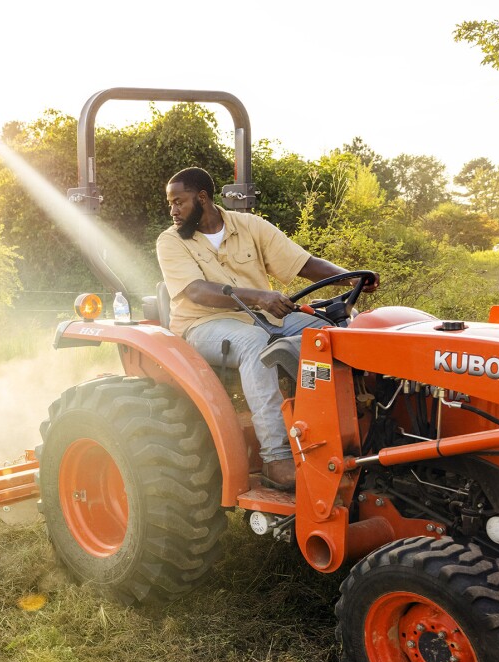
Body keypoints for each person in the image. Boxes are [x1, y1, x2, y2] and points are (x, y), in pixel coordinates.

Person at [156, 167, 375, 490]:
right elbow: (197, 291)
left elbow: (302, 263)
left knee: (331, 331)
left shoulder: (250, 226)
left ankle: (359, 434)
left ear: (202, 198)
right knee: (257, 345)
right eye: (171, 203)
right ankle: (276, 457)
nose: (173, 211)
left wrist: (352, 277)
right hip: (204, 324)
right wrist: (260, 296)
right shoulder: (171, 241)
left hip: (264, 318)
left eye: (179, 202)